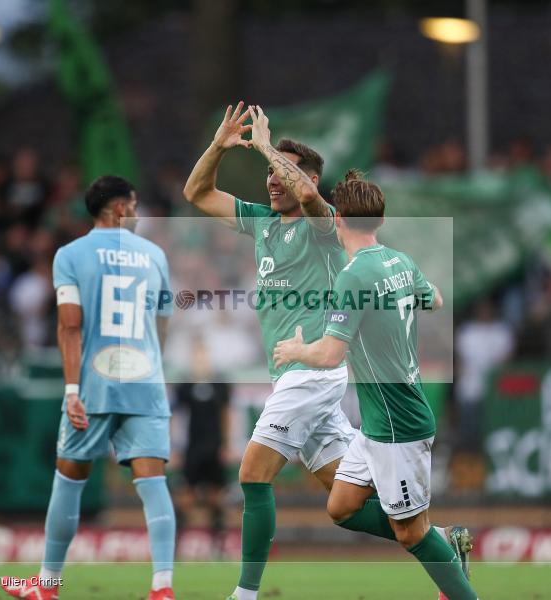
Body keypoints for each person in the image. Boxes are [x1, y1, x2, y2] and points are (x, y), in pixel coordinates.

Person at [183, 102, 361, 600]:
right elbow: (197, 193)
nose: (271, 180)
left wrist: (264, 146)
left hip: (313, 372)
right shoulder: (262, 222)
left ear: (310, 178)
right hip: (295, 379)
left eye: (281, 171)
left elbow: (307, 196)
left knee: (252, 474)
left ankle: (244, 595)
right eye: (268, 172)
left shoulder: (324, 226)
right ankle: (439, 542)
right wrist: (219, 146)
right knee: (348, 503)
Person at [272, 171, 478, 600]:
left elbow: (330, 354)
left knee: (410, 534)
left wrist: (296, 350)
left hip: (399, 425)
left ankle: (446, 559)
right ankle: (443, 541)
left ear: (338, 218)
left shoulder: (353, 277)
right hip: (378, 424)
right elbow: (435, 299)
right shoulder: (400, 261)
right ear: (380, 220)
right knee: (341, 507)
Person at [1, 176, 177, 600]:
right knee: (153, 483)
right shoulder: (155, 255)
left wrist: (71, 390)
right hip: (145, 383)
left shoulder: (70, 255)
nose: (137, 214)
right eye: (134, 206)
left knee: (69, 479)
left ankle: (46, 586)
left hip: (94, 386)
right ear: (118, 209)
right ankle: (162, 588)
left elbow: (69, 326)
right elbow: (162, 322)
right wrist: (151, 364)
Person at [174, 339, 232, 555]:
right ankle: (176, 546)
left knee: (217, 497)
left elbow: (226, 415)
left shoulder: (220, 386)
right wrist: (175, 447)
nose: (200, 361)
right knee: (185, 497)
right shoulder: (185, 386)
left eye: (203, 356)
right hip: (192, 448)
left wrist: (226, 445)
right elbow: (177, 416)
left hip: (215, 447)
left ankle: (219, 547)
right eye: (197, 357)